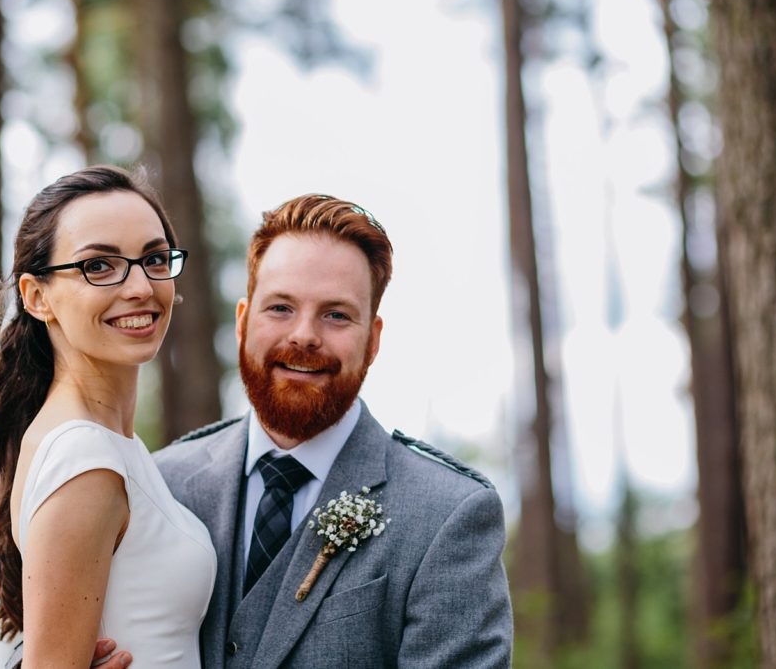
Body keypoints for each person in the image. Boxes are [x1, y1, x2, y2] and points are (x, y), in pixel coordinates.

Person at [102, 194, 513, 667]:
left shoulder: (448, 514)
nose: (304, 335)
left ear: (373, 340)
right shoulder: (160, 483)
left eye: (336, 314)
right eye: (280, 308)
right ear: (242, 322)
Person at [0, 165, 216, 668]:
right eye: (98, 266)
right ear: (37, 297)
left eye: (154, 259)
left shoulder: (108, 443)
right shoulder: (84, 456)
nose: (140, 287)